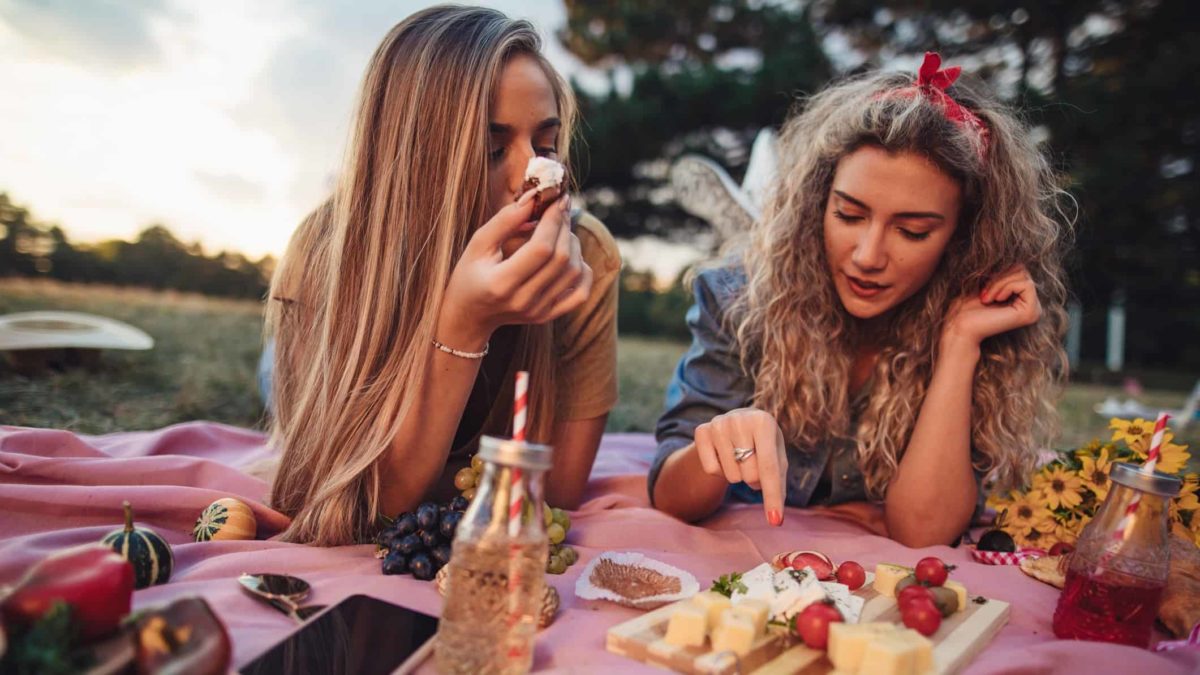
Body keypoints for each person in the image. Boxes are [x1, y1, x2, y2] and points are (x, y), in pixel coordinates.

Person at [650, 53, 1071, 547]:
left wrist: (960, 343)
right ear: (816, 204)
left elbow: (924, 531)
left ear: (962, 240)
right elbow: (670, 497)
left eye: (912, 232)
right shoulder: (739, 297)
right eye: (849, 216)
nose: (868, 257)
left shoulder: (976, 320)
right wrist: (722, 444)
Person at [264, 5, 621, 546]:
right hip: (325, 348)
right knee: (277, 380)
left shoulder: (583, 254)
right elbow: (343, 510)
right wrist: (463, 324)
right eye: (492, 148)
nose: (533, 177)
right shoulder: (327, 255)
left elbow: (559, 492)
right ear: (414, 160)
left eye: (545, 146)